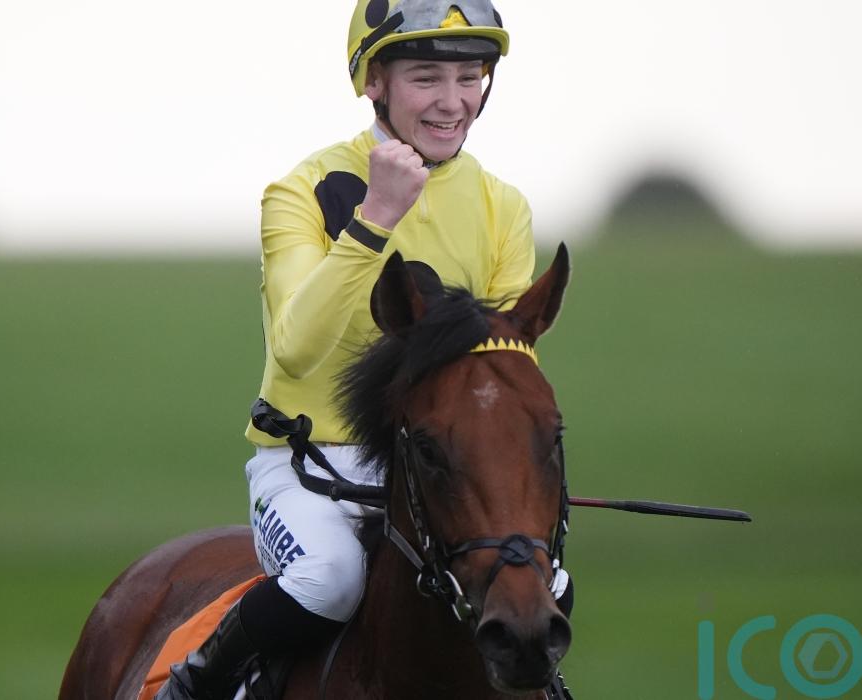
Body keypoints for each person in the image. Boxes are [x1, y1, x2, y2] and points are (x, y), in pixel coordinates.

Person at [156, 2, 573, 697]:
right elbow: (295, 350)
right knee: (330, 579)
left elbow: (496, 380)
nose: (452, 102)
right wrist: (377, 216)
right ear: (374, 81)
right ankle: (192, 685)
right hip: (311, 464)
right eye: (426, 78)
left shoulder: (504, 207)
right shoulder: (297, 192)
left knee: (543, 583)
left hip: (437, 462)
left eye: (469, 77)